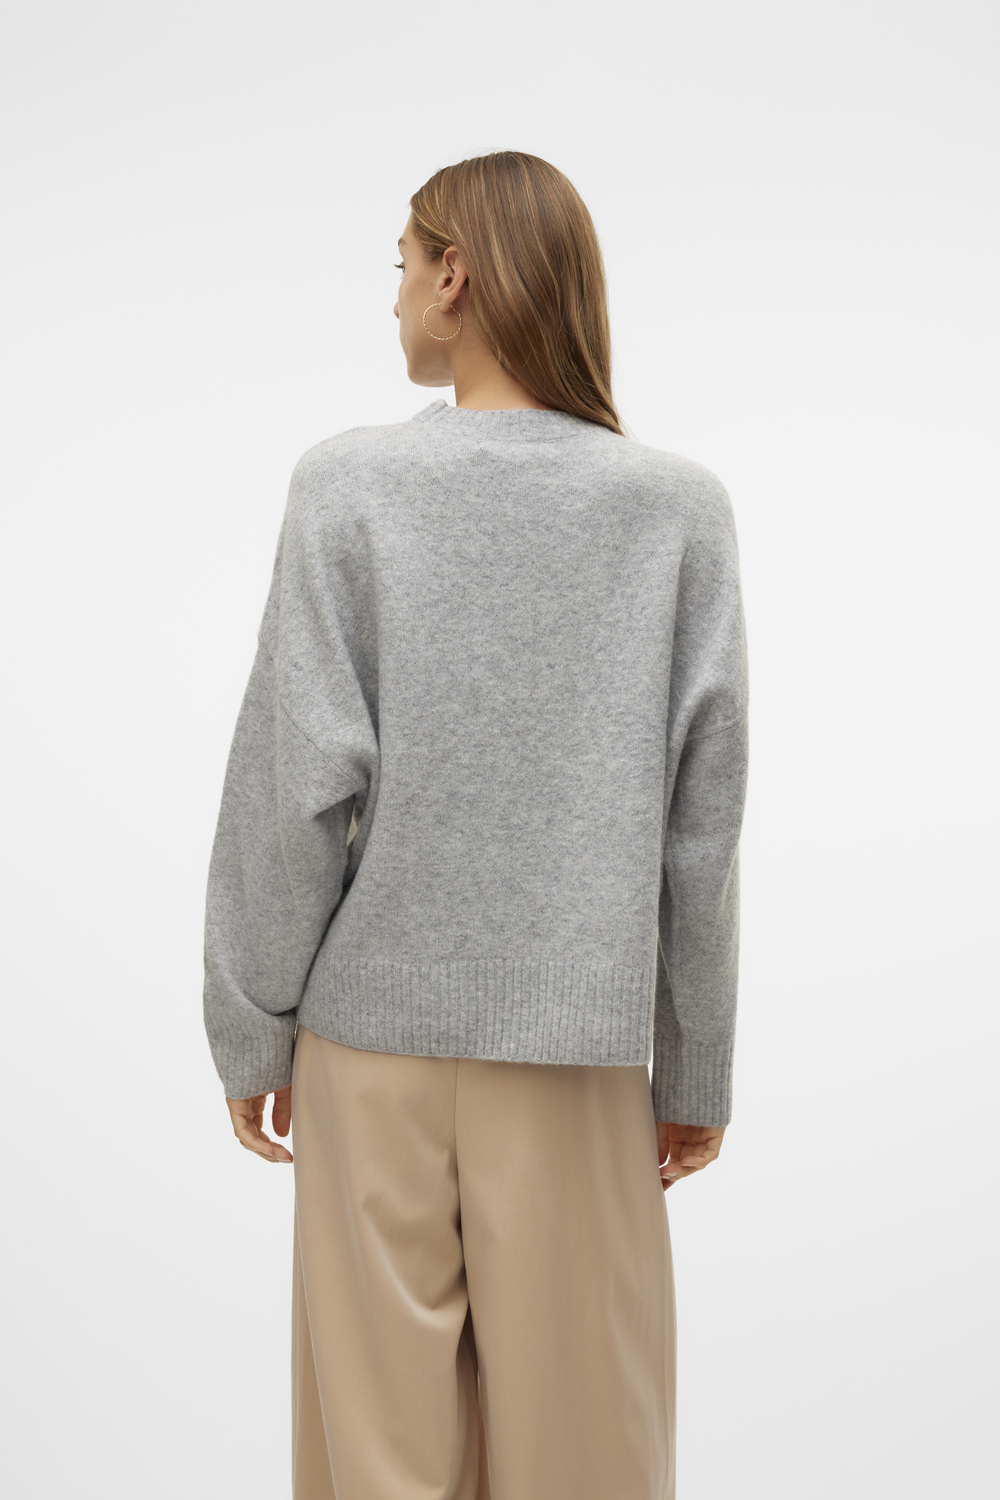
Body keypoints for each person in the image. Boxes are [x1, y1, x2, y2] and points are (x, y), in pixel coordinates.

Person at [203, 150, 749, 1500]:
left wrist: (251, 1025)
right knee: (591, 1461)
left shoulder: (347, 488)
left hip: (367, 1059)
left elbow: (292, 787)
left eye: (400, 264)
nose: (391, 295)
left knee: (379, 1466)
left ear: (455, 276)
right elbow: (702, 829)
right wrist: (695, 1068)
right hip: (576, 1064)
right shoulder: (675, 510)